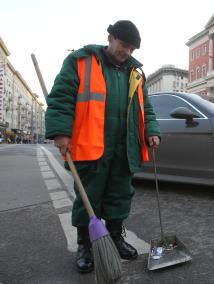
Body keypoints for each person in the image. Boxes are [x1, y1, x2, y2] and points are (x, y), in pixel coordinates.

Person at [45, 20, 161, 273]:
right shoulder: (81, 61)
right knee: (89, 198)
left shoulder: (136, 74)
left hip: (125, 147)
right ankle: (85, 245)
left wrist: (152, 131)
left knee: (120, 195)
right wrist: (60, 132)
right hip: (91, 145)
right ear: (110, 38)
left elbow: (146, 108)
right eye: (123, 45)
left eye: (131, 49)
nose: (126, 52)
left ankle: (116, 238)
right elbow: (62, 97)